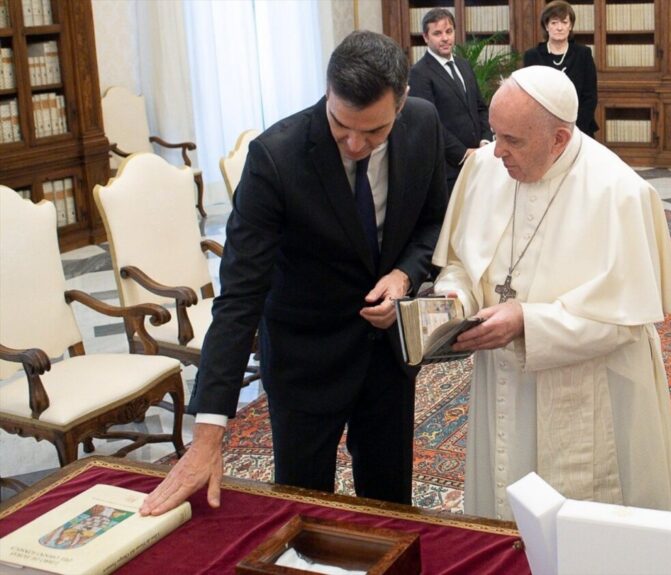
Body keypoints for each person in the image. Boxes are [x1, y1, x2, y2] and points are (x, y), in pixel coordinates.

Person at [139, 31, 449, 516]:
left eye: (373, 132)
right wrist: (208, 430)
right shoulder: (275, 159)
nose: (354, 143)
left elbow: (434, 221)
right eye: (341, 125)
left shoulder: (424, 124)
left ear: (402, 102)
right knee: (300, 513)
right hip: (306, 359)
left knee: (389, 510)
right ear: (327, 94)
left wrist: (405, 276)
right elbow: (240, 295)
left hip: (387, 358)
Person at [432, 65, 671, 520]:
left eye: (514, 141)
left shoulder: (619, 192)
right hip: (502, 381)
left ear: (560, 139)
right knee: (501, 515)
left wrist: (527, 321)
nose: (497, 151)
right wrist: (455, 302)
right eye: (495, 134)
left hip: (587, 392)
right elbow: (460, 264)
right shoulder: (486, 169)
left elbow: (623, 323)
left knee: (584, 530)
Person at [409, 8, 492, 193]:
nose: (445, 38)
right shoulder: (419, 73)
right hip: (449, 168)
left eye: (449, 31)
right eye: (437, 33)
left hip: (480, 160)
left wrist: (485, 142)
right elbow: (430, 124)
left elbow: (480, 107)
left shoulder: (463, 65)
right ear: (425, 37)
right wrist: (463, 153)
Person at [522, 1, 598, 138]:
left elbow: (590, 97)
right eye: (554, 23)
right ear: (546, 26)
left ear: (570, 26)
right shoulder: (532, 56)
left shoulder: (583, 54)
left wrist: (573, 130)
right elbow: (529, 97)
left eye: (564, 22)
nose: (559, 28)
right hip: (542, 130)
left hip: (579, 128)